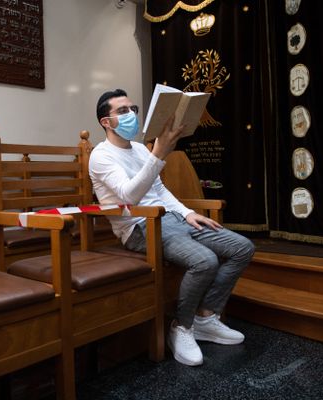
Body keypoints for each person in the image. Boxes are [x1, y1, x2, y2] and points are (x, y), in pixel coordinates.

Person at [89, 89, 255, 366]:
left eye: (133, 109)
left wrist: (188, 213)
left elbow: (160, 191)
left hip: (171, 219)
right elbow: (129, 197)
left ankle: (206, 317)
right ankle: (182, 327)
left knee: (242, 247)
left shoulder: (141, 149)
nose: (131, 115)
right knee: (204, 261)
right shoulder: (101, 155)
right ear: (106, 122)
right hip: (141, 227)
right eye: (122, 111)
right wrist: (159, 154)